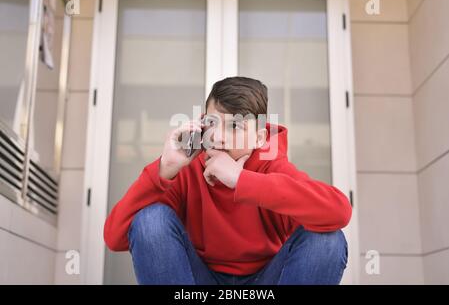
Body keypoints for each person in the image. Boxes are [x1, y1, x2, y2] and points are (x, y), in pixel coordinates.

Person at [104, 76, 352, 285]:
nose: (220, 138)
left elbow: (339, 211)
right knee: (151, 220)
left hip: (264, 283)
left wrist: (241, 180)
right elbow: (115, 237)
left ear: (259, 137)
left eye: (236, 127)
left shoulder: (271, 168)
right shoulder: (187, 170)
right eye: (213, 124)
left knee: (328, 240)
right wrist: (163, 169)